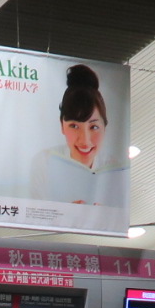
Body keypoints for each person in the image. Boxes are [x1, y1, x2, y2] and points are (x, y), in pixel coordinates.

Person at [30, 64, 127, 206]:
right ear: (62, 125)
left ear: (104, 128)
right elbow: (35, 215)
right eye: (74, 126)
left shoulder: (115, 170)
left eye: (94, 127)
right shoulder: (44, 163)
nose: (85, 140)